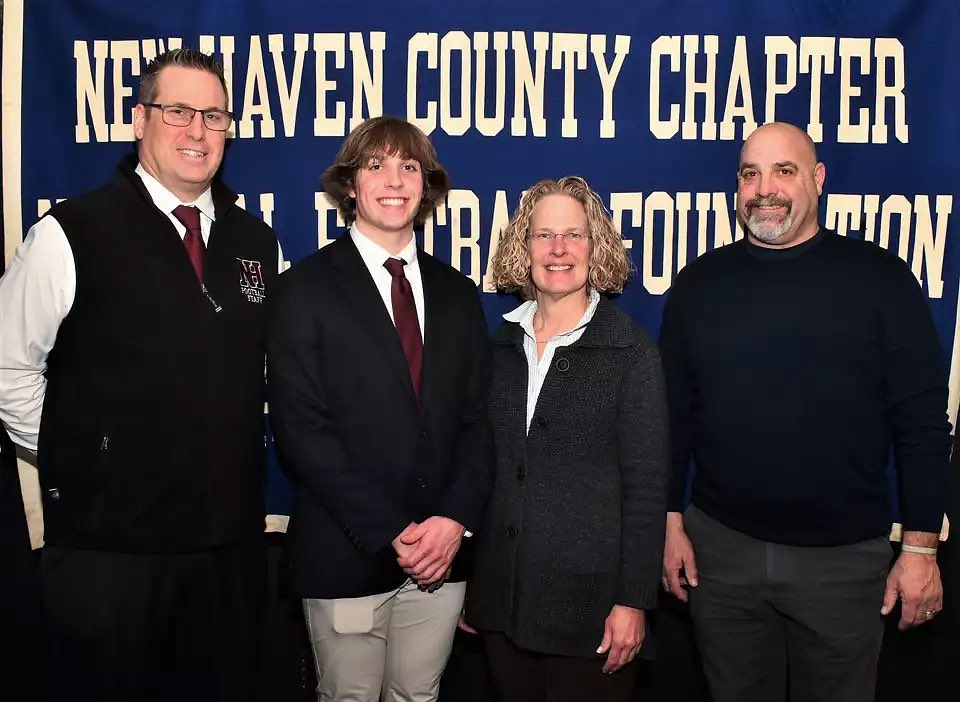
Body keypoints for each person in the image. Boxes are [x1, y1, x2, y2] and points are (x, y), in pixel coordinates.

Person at [0, 48, 282, 702]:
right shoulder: (71, 233)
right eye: (178, 110)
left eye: (213, 115)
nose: (197, 129)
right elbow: (10, 369)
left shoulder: (256, 244)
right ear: (139, 119)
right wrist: (82, 460)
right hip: (111, 560)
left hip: (228, 559)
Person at [659, 121, 950, 702]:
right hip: (722, 557)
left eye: (783, 171)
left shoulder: (882, 280)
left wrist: (920, 550)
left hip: (843, 566)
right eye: (750, 173)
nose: (764, 188)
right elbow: (673, 420)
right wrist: (668, 523)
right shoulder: (699, 284)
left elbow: (921, 424)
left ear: (818, 180)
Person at [267, 116, 494, 702]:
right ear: (350, 185)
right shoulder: (303, 289)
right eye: (376, 166)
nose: (394, 180)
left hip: (442, 560)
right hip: (346, 552)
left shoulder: (457, 293)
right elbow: (302, 432)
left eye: (409, 166)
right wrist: (392, 530)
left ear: (426, 185)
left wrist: (452, 523)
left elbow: (477, 420)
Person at [463, 176, 669, 702]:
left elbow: (647, 489)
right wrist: (475, 586)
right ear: (522, 246)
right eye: (543, 234)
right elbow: (482, 470)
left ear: (595, 247)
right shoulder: (499, 345)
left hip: (592, 612)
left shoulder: (631, 352)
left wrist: (633, 602)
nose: (558, 249)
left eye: (573, 235)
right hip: (503, 603)